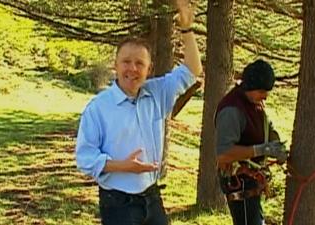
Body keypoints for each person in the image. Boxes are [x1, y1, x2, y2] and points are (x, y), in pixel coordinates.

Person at [75, 1, 202, 224]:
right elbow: (85, 158)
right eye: (126, 62)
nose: (132, 69)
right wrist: (124, 167)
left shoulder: (158, 93)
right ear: (115, 65)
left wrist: (187, 29)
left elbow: (193, 70)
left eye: (139, 63)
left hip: (152, 198)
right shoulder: (98, 108)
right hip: (118, 204)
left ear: (149, 69)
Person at [215, 59, 288, 225]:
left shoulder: (254, 102)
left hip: (250, 182)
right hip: (239, 182)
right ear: (249, 86)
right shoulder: (231, 110)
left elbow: (266, 127)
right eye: (262, 91)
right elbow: (223, 154)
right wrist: (261, 149)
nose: (265, 96)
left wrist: (277, 146)